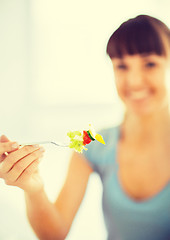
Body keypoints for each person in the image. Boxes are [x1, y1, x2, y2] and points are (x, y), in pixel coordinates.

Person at [1, 14, 170, 240]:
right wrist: (34, 188)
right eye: (121, 66)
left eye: (150, 64)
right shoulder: (93, 141)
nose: (135, 81)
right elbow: (54, 233)